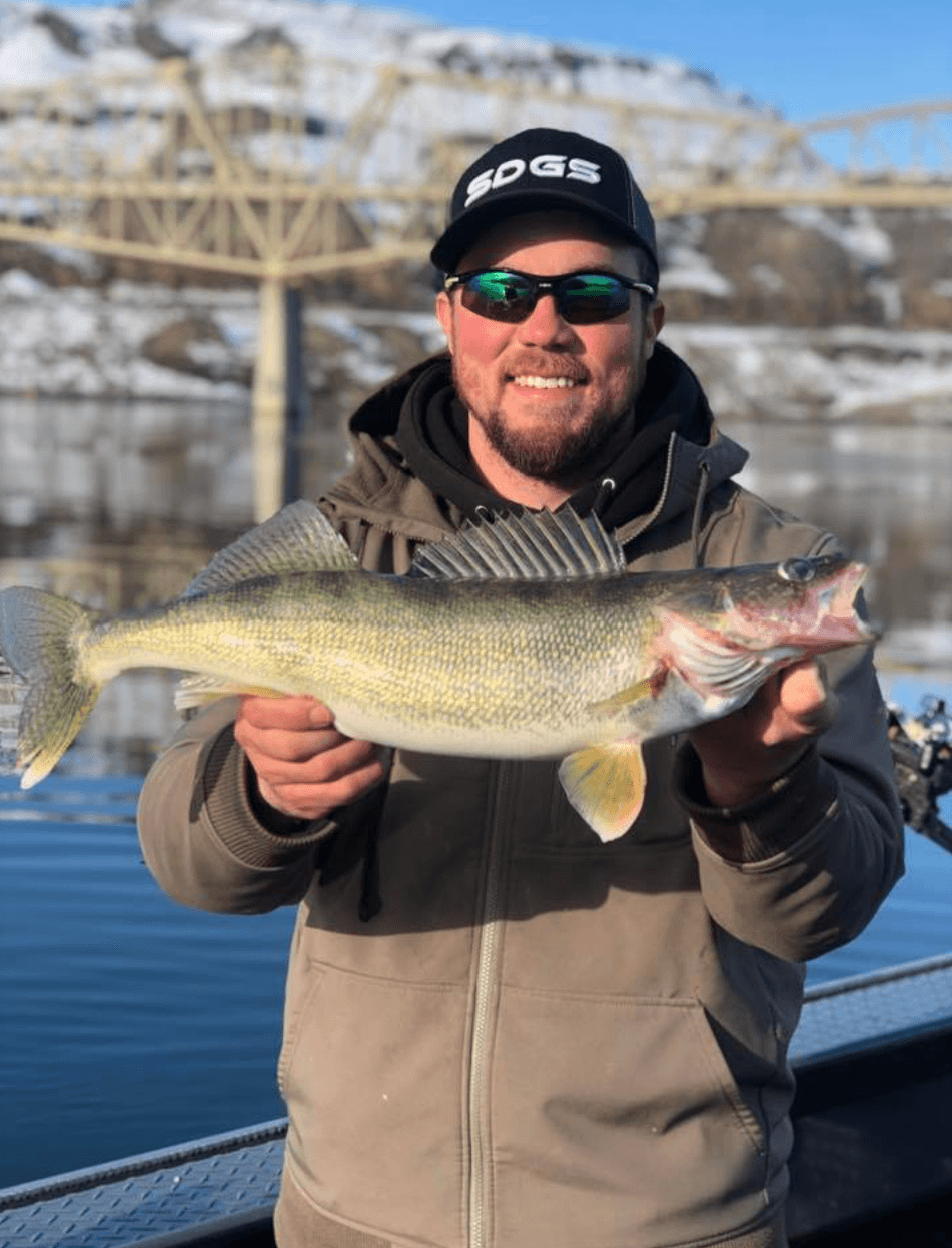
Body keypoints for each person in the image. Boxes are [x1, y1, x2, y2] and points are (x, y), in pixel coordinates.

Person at [138, 128, 904, 1248]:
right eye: (499, 290)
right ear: (449, 315)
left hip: (669, 1224)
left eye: (591, 292)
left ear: (649, 318)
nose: (543, 325)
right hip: (351, 1214)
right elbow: (189, 865)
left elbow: (825, 912)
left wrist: (757, 789)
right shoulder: (329, 558)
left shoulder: (767, 559)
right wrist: (263, 795)